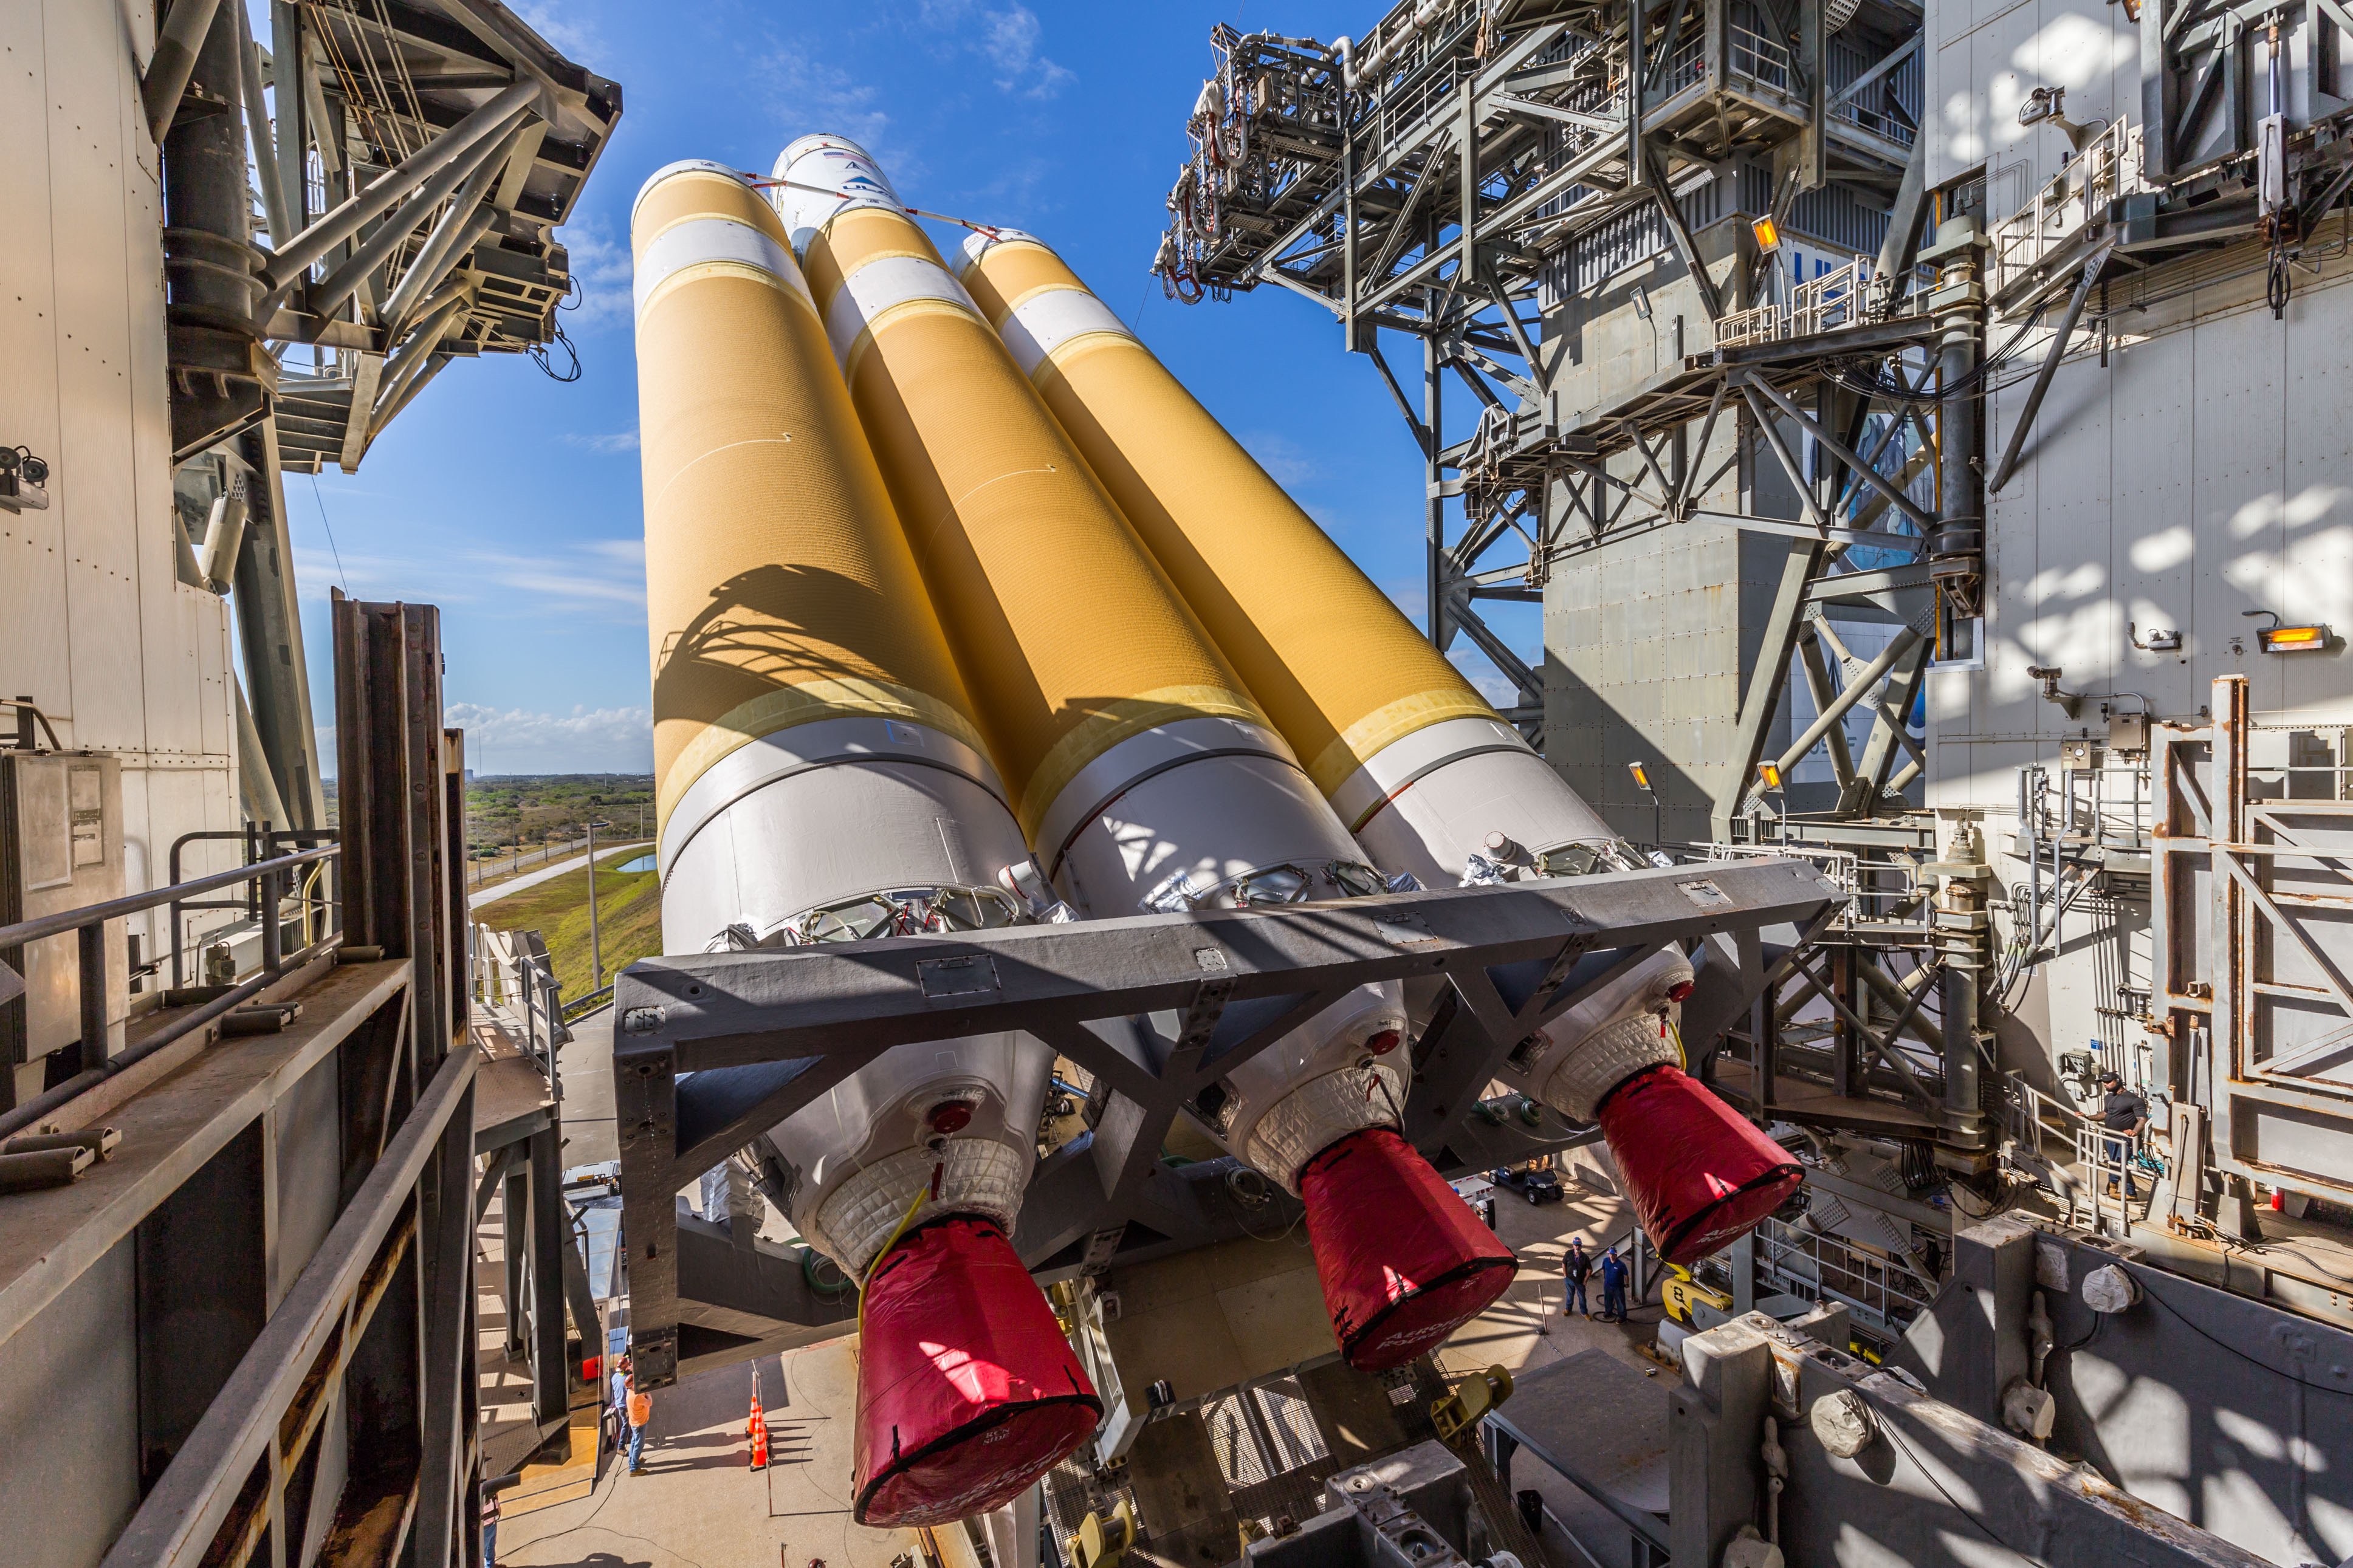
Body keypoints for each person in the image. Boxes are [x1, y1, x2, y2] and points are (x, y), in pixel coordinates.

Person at [2097, 1070, 2149, 1201]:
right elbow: (2104, 1114)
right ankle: (2117, 1186)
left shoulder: (2134, 1100)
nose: (2106, 1085)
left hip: (2126, 1139)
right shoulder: (2109, 1097)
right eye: (2104, 1083)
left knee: (2120, 1163)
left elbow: (2142, 1119)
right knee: (2115, 1163)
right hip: (2111, 1136)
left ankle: (2123, 1189)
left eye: (2109, 1082)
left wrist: (2134, 1132)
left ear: (2118, 1081)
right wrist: (2087, 1117)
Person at [626, 1374, 651, 1473]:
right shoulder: (636, 1396)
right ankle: (634, 1468)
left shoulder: (631, 1392)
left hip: (635, 1423)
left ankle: (632, 1460)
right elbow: (649, 1403)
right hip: (640, 1423)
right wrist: (648, 1393)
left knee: (634, 1442)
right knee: (639, 1445)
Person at [1560, 1238, 1592, 1318]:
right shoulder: (1568, 1254)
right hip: (1569, 1280)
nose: (1578, 1247)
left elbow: (1590, 1270)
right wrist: (1565, 1276)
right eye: (1576, 1245)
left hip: (1580, 1282)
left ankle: (1584, 1313)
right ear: (1573, 1245)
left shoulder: (1585, 1257)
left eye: (1579, 1246)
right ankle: (1568, 1309)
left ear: (1581, 1246)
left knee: (1582, 1297)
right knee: (1570, 1295)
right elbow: (1564, 1264)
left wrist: (1585, 1281)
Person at [1598, 1245, 1629, 1323]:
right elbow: (1604, 1270)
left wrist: (1627, 1284)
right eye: (1610, 1254)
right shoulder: (1606, 1261)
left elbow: (1626, 1275)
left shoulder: (1621, 1265)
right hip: (1608, 1285)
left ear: (1616, 1255)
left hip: (1618, 1287)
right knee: (1608, 1300)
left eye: (1613, 1254)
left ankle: (1622, 1317)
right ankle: (1608, 1312)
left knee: (1620, 1302)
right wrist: (1605, 1278)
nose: (1611, 1256)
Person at [481, 1484, 500, 1568]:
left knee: (491, 1548)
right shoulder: (482, 1497)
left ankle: (490, 1566)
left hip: (493, 1523)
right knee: (483, 1552)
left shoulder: (492, 1490)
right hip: (485, 1527)